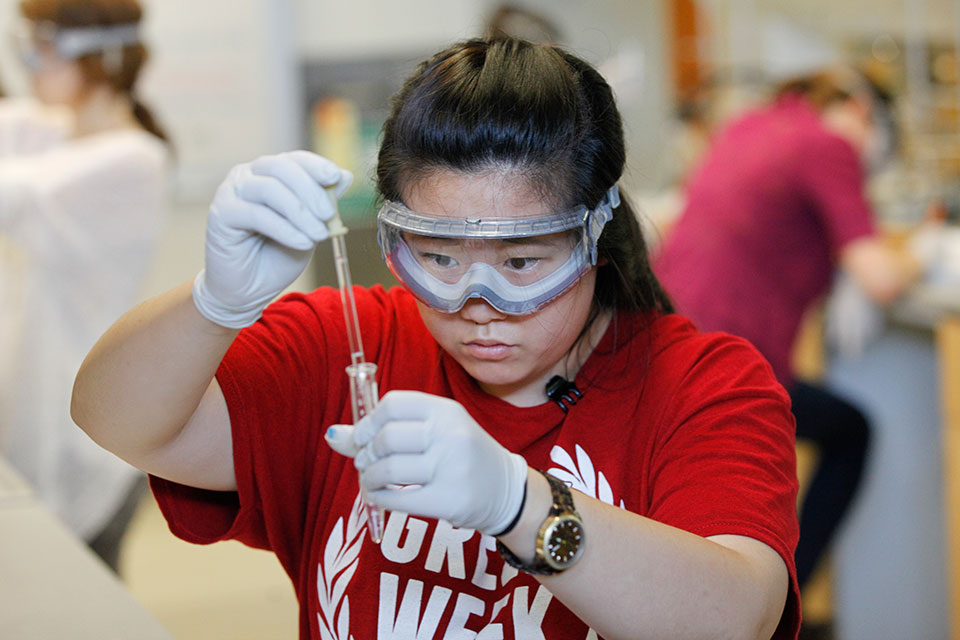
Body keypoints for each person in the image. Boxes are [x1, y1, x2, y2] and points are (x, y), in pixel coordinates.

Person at [72, 37, 800, 638]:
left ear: (595, 237)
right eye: (438, 257)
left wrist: (520, 506)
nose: (474, 304)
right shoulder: (348, 344)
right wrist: (215, 302)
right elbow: (113, 419)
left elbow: (735, 619)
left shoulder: (703, 386)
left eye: (521, 262)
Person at [653, 68, 925, 601]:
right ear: (866, 114)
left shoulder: (746, 126)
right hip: (720, 366)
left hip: (664, 343)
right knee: (852, 432)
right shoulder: (830, 144)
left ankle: (771, 600)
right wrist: (925, 253)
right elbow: (882, 277)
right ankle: (783, 602)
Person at [0, 0, 169, 572]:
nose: (28, 63)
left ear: (96, 57)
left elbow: (13, 193)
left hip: (86, 439)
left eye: (41, 48)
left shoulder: (131, 159)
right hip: (32, 418)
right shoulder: (48, 130)